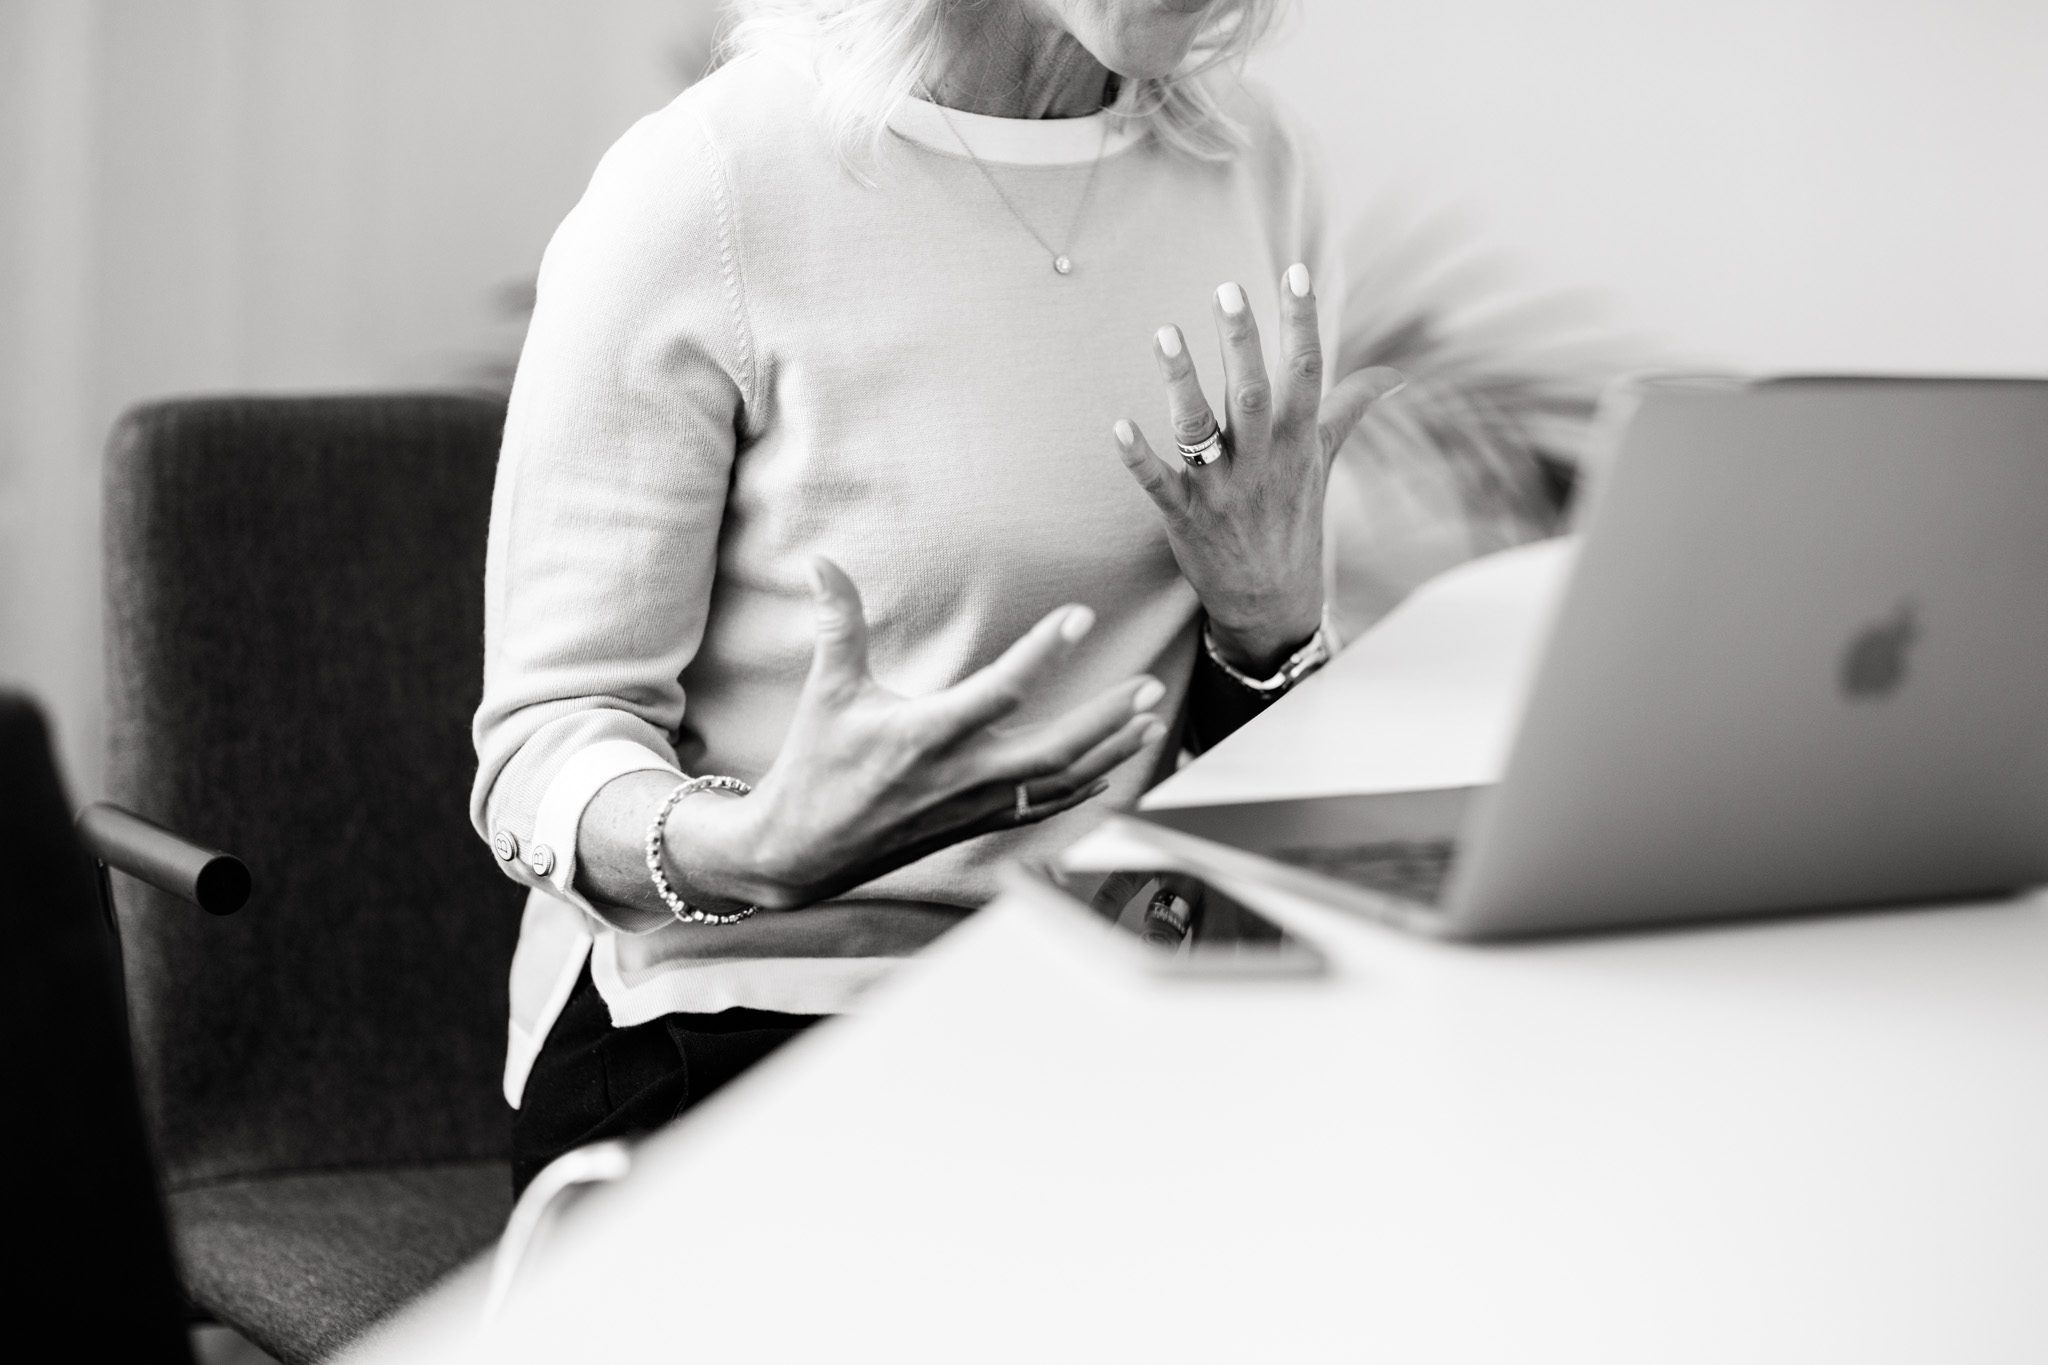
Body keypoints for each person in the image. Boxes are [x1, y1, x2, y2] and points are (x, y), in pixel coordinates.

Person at [473, 0, 1406, 1194]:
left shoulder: (1259, 171)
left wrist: (1267, 630)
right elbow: (542, 752)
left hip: (1111, 1004)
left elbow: (1247, 770)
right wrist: (754, 849)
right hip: (752, 1013)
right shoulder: (706, 185)